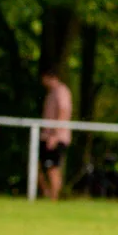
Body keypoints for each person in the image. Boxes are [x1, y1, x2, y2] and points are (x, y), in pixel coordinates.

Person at [38, 70, 72, 201]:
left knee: (52, 167)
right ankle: (47, 194)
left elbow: (63, 111)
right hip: (46, 136)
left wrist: (55, 135)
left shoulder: (61, 91)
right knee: (40, 166)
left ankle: (54, 198)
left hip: (56, 137)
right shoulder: (51, 92)